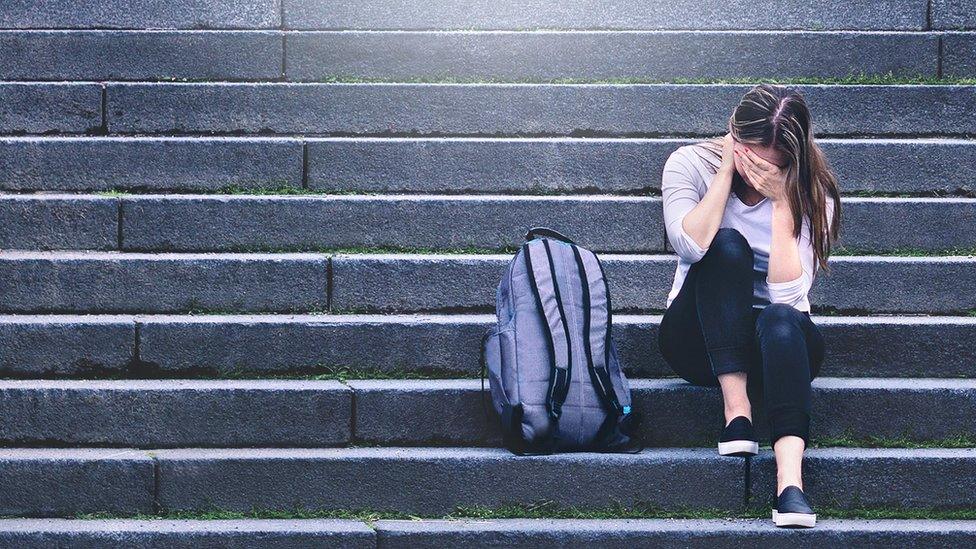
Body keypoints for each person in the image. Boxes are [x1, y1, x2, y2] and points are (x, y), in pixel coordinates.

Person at [657, 84, 841, 528]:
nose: (757, 170)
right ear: (733, 136)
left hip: (778, 345)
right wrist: (723, 173)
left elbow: (789, 300)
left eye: (771, 165)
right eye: (749, 154)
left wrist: (782, 203)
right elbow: (688, 243)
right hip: (699, 337)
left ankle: (790, 484)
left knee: (780, 318)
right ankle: (736, 414)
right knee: (724, 246)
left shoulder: (814, 195)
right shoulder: (689, 165)